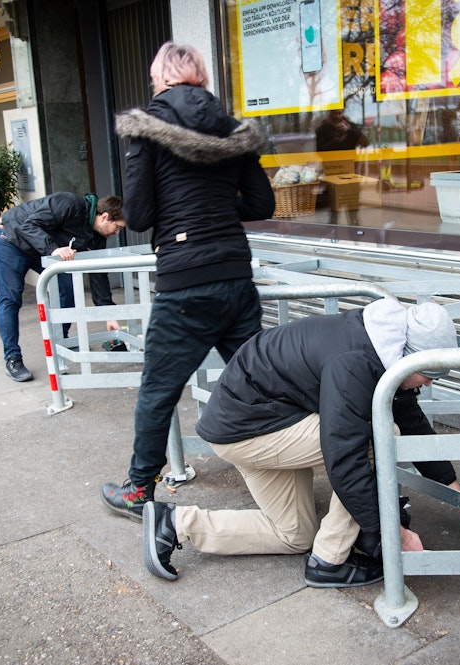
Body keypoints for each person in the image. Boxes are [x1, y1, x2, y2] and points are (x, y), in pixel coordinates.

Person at [140, 299, 460, 585]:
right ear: (407, 355)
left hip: (252, 421)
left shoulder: (383, 346)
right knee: (380, 437)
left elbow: (412, 421)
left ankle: (175, 523)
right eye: (427, 374)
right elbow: (345, 458)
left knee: (294, 534)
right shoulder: (356, 364)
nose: (429, 383)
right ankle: (330, 560)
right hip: (249, 430)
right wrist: (394, 535)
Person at [101, 42, 276, 519]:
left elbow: (139, 215)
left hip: (185, 283)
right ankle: (297, 466)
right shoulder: (232, 128)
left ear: (160, 78)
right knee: (263, 382)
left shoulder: (147, 127)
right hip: (235, 277)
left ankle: (139, 490)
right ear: (201, 77)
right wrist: (216, 207)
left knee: (158, 391)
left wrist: (184, 210)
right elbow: (261, 205)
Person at [0, 192, 125, 382]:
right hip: (11, 238)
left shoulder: (97, 236)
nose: (117, 233)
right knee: (10, 298)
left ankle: (60, 341)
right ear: (104, 217)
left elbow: (98, 275)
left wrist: (108, 314)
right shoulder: (69, 203)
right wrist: (53, 249)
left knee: (68, 287)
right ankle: (12, 358)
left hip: (40, 248)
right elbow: (29, 225)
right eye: (117, 227)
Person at [315, 110, 370, 225]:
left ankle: (354, 227)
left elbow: (365, 142)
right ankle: (334, 228)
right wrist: (335, 141)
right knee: (334, 206)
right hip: (333, 171)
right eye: (335, 113)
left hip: (350, 171)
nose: (337, 116)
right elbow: (320, 152)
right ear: (330, 114)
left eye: (340, 113)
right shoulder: (323, 129)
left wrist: (349, 131)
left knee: (352, 204)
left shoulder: (350, 126)